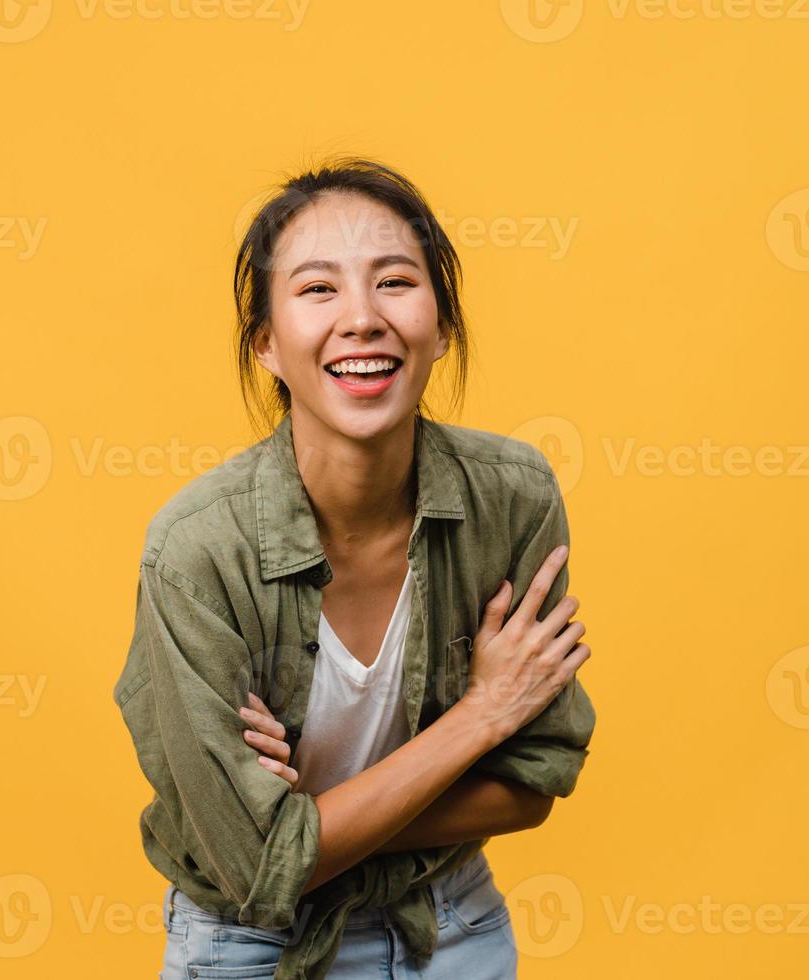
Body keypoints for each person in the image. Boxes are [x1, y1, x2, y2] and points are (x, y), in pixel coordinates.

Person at [113, 157, 595, 979]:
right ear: (266, 343)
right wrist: (479, 717)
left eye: (395, 282)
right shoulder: (195, 554)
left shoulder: (512, 498)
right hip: (249, 949)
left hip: (450, 926)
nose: (363, 318)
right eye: (317, 289)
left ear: (441, 326)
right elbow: (253, 870)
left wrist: (305, 824)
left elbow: (538, 780)